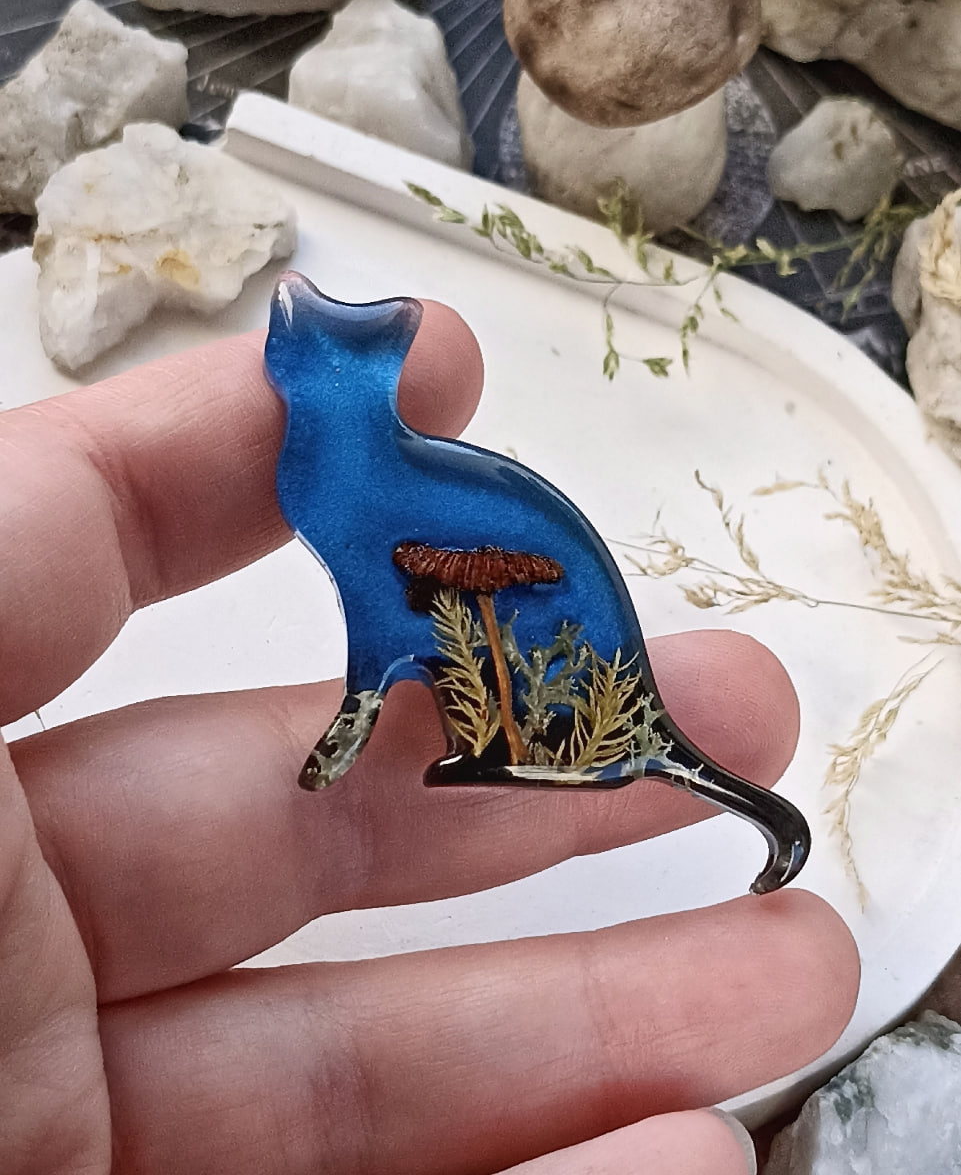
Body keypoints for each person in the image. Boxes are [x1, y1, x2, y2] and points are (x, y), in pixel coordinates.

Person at [0, 301, 859, 1174]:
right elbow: (392, 601)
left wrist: (361, 710)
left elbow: (384, 608)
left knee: (520, 648)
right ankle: (503, 742)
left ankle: (534, 749)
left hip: (569, 673)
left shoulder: (352, 476)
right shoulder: (337, 471)